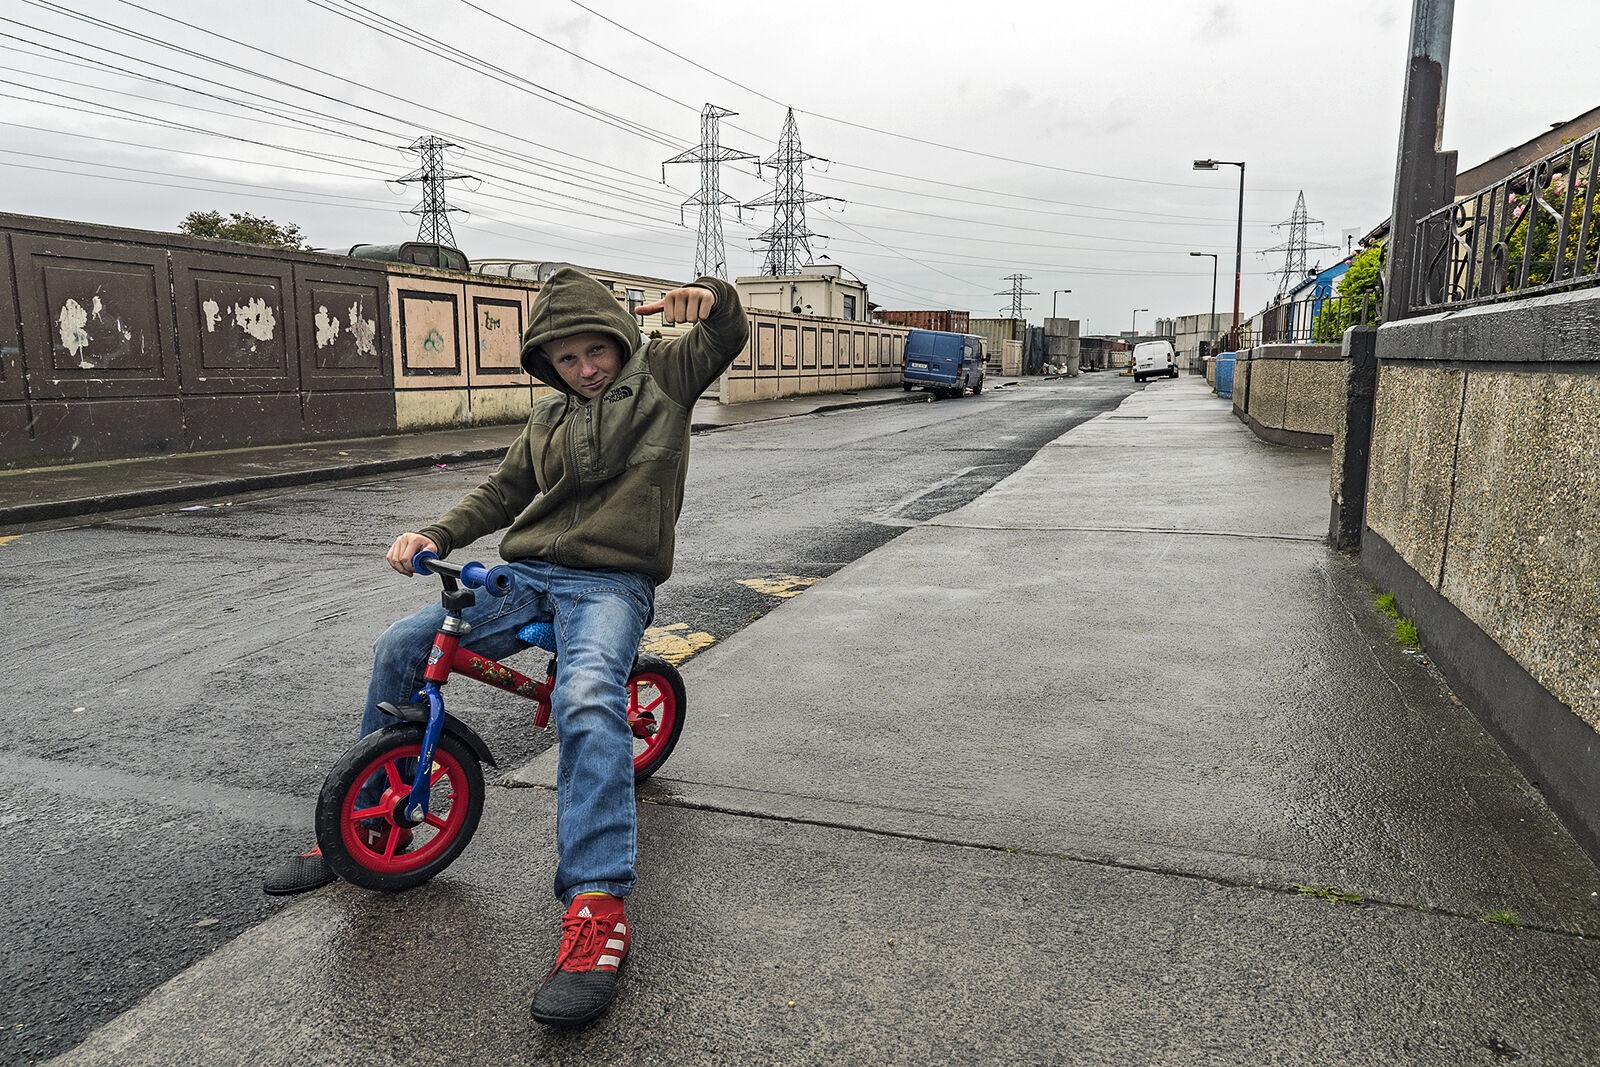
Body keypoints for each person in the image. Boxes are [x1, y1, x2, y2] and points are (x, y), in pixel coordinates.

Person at [263, 267, 749, 1028]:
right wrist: (437, 533)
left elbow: (725, 330)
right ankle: (355, 823)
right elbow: (501, 492)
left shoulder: (664, 377)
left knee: (589, 696)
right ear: (546, 365)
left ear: (619, 340)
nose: (587, 368)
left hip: (611, 585)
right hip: (525, 574)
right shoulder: (548, 417)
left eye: (597, 350)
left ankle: (596, 906)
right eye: (567, 359)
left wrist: (714, 298)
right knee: (402, 644)